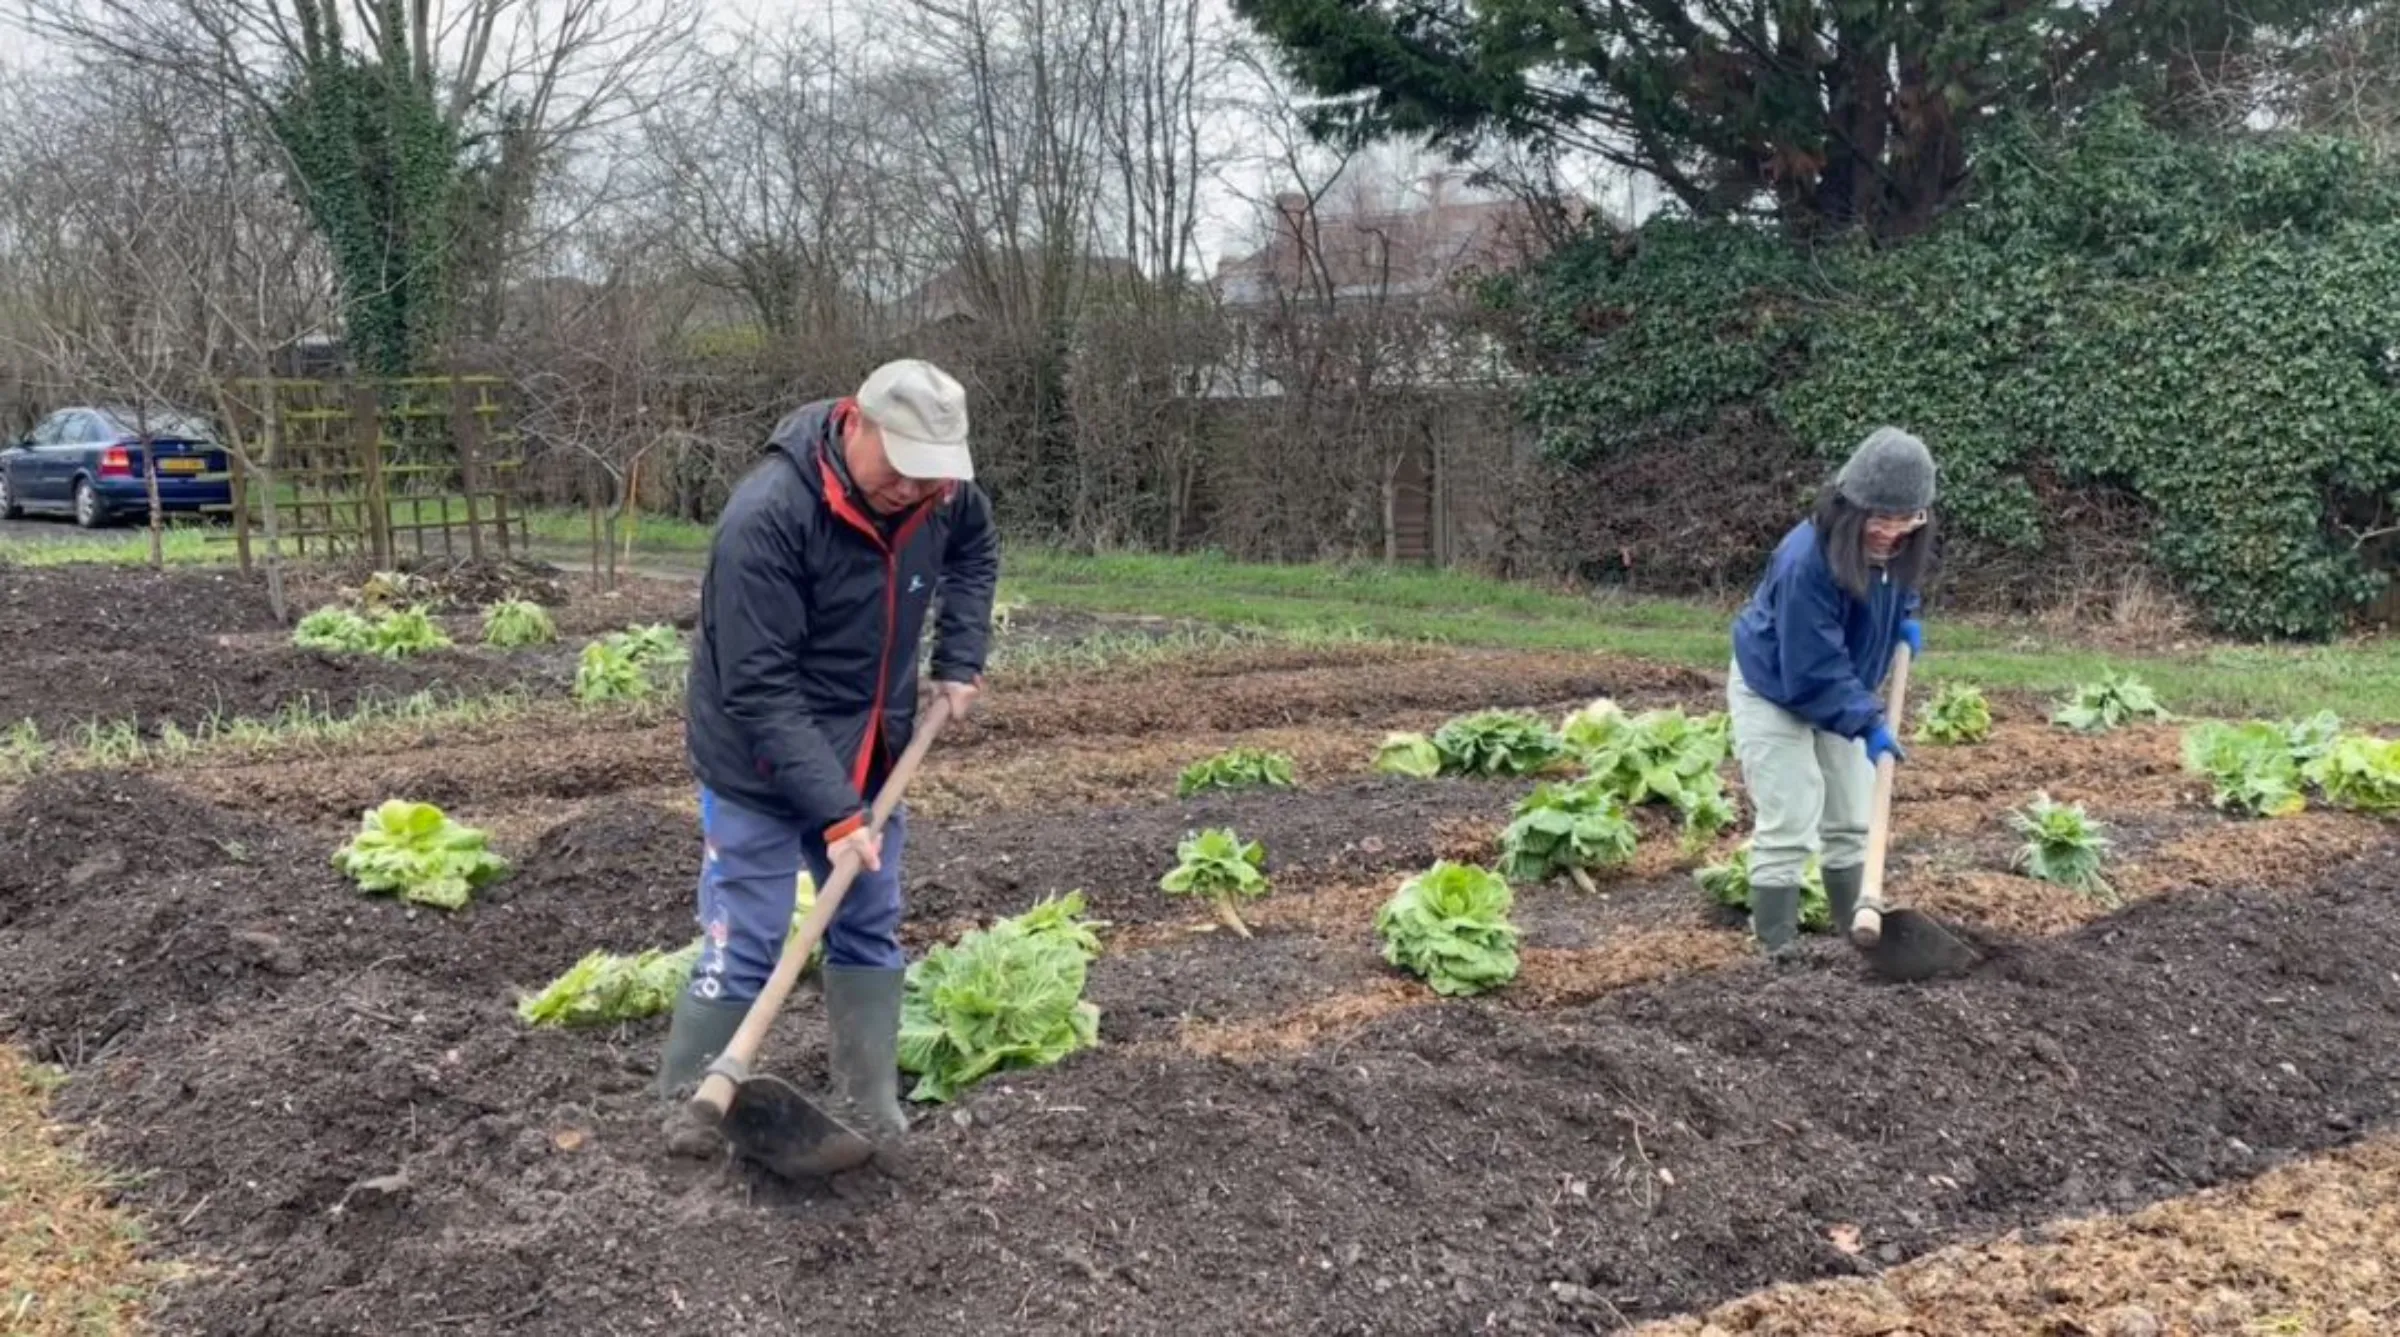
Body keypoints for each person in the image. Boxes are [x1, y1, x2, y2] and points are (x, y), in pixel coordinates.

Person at [657, 357, 1000, 1158]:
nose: (917, 491)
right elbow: (759, 685)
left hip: (873, 743)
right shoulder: (769, 517)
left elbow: (976, 549)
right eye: (905, 470)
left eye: (933, 478)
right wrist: (837, 813)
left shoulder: (941, 496)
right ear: (858, 421)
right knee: (748, 927)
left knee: (869, 919)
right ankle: (689, 1100)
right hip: (759, 755)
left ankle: (871, 1101)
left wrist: (961, 655)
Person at [1726, 426, 1935, 955]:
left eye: (1906, 519)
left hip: (1842, 688)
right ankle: (1777, 952)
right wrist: (1867, 723)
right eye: (1881, 519)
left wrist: (1905, 617)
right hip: (1776, 689)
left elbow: (1897, 589)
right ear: (1851, 506)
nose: (1892, 532)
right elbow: (1813, 668)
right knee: (1791, 816)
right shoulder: (1806, 563)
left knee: (1852, 816)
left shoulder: (1897, 547)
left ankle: (1855, 940)